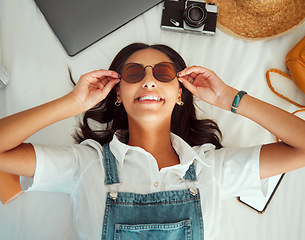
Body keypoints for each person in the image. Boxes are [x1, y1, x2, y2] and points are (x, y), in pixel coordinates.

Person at [0, 43, 305, 239]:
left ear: (180, 92)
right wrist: (73, 103)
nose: (149, 80)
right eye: (133, 74)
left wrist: (229, 98)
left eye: (163, 73)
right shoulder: (85, 163)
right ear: (117, 94)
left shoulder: (210, 167)